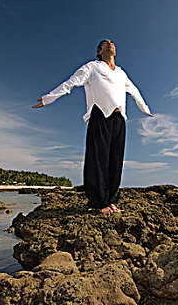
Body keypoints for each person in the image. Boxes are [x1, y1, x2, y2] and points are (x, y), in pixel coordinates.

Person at [32, 39, 154, 215]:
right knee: (98, 160)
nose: (110, 44)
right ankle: (97, 202)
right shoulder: (92, 67)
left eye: (112, 43)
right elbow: (71, 82)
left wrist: (145, 109)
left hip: (119, 118)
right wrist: (48, 99)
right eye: (105, 43)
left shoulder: (121, 73)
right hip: (100, 115)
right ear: (99, 51)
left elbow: (134, 91)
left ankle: (110, 199)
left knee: (115, 161)